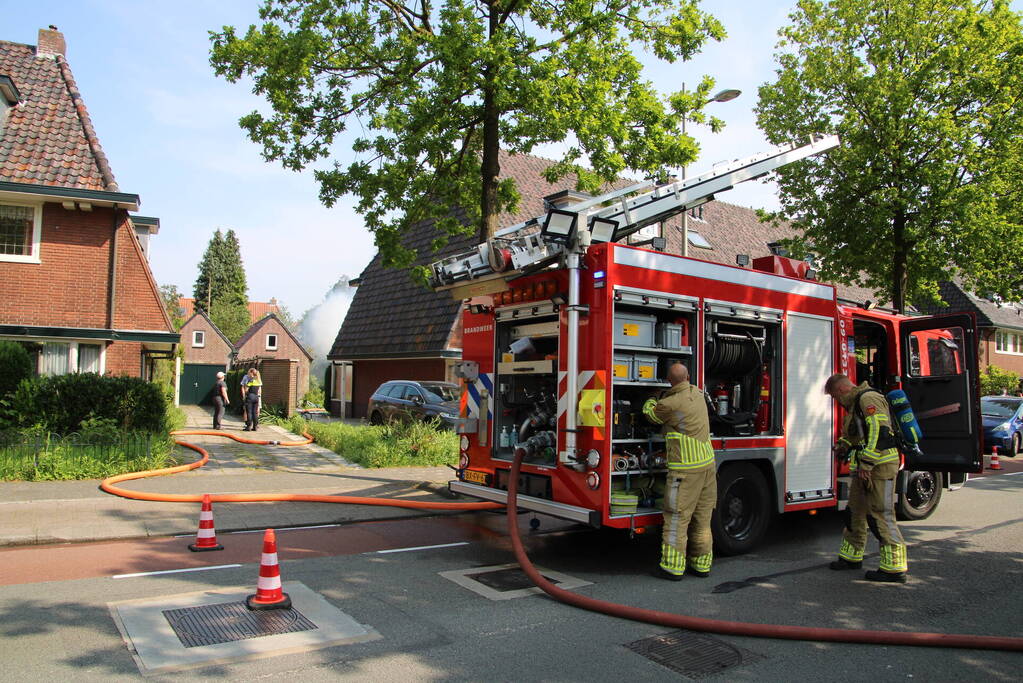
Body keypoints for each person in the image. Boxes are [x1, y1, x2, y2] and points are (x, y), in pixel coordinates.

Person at [824, 373, 908, 583]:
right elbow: (857, 434)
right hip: (865, 469)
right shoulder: (855, 404)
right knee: (855, 513)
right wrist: (843, 444)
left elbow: (880, 432)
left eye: (835, 396)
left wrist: (867, 463)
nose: (836, 401)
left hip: (880, 467)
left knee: (881, 514)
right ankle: (851, 558)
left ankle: (894, 568)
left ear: (841, 390)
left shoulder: (868, 399)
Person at [642, 362, 717, 581]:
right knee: (702, 519)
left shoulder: (671, 403)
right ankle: (701, 566)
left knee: (677, 518)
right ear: (688, 377)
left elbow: (651, 416)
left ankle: (672, 568)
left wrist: (651, 397)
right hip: (707, 466)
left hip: (685, 471)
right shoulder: (698, 392)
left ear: (668, 380)